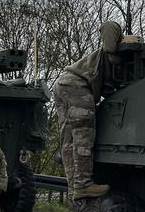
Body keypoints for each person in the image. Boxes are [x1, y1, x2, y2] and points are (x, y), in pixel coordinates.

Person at [53, 21, 124, 200]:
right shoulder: (112, 49)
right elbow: (108, 26)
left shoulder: (108, 68)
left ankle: (75, 200)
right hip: (76, 84)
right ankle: (83, 184)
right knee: (85, 130)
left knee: (69, 143)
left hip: (65, 85)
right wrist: (117, 49)